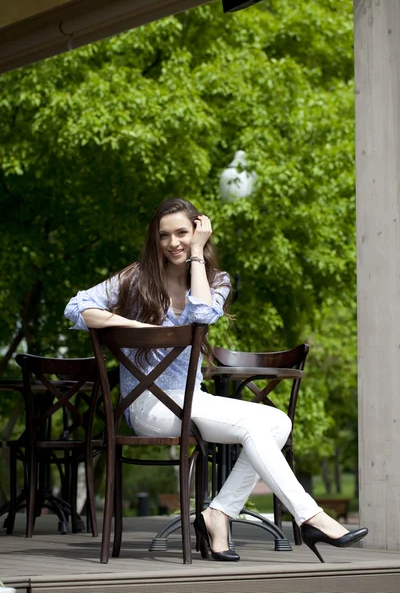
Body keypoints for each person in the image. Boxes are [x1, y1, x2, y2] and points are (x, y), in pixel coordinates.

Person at [65, 197, 367, 563]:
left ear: (197, 231)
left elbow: (203, 314)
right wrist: (136, 327)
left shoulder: (215, 280)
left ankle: (218, 512)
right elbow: (76, 307)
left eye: (182, 233)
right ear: (154, 240)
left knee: (278, 422)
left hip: (191, 398)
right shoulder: (136, 278)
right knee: (258, 425)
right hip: (145, 406)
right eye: (164, 235)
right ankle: (310, 517)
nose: (173, 242)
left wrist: (196, 255)